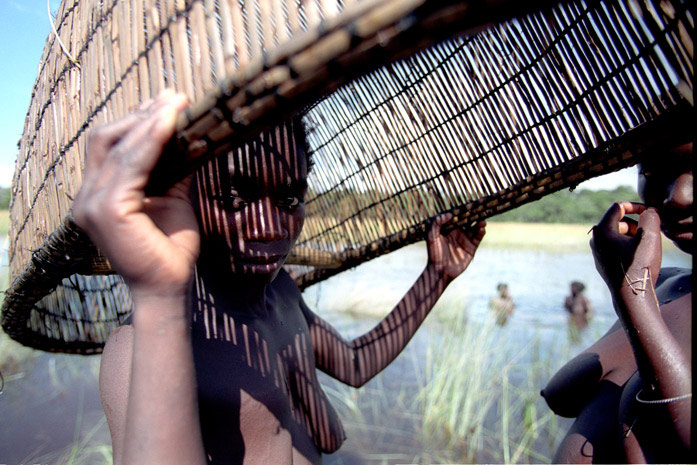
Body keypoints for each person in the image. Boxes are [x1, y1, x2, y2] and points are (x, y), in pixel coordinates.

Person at [73, 91, 486, 464]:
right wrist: (160, 295)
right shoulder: (142, 348)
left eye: (289, 198)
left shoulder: (282, 292)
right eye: (234, 199)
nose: (272, 227)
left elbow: (355, 364)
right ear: (179, 203)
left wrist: (436, 276)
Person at [541, 142, 692, 463]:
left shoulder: (642, 292)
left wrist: (634, 297)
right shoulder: (663, 283)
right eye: (654, 172)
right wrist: (632, 292)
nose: (677, 196)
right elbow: (562, 398)